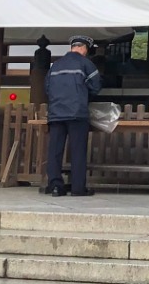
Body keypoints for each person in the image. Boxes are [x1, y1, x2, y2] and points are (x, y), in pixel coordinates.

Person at [44, 35, 104, 197]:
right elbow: (95, 86)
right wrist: (84, 97)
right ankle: (78, 188)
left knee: (55, 151)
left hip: (56, 113)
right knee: (78, 150)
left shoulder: (55, 65)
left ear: (72, 47)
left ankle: (55, 186)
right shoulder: (86, 64)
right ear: (84, 48)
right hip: (77, 113)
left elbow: (47, 87)